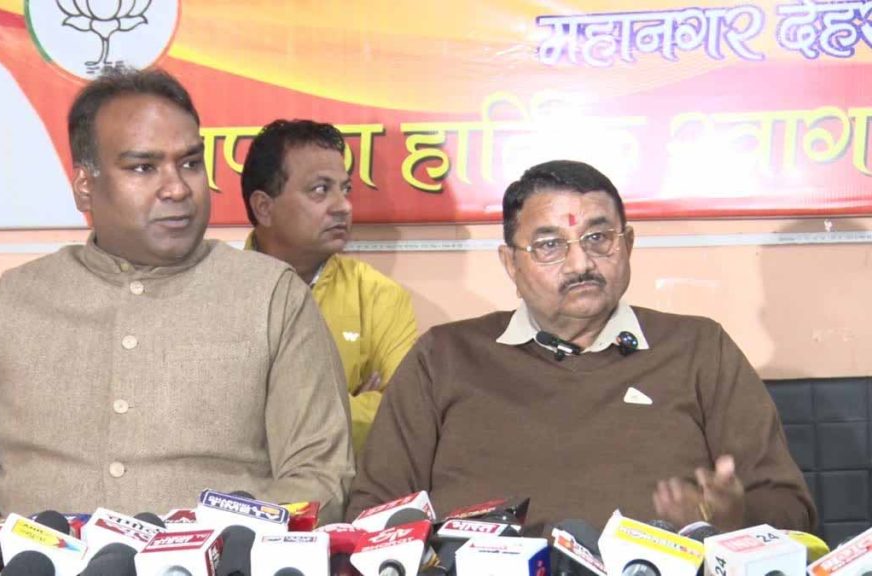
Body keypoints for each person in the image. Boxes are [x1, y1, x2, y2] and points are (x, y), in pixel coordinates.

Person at [0, 69, 354, 523]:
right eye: (143, 167)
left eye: (190, 163)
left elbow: (319, 477)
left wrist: (219, 546)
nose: (177, 188)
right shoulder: (5, 307)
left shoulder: (273, 298)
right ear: (85, 187)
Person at [347, 160, 816, 534]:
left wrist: (731, 518)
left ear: (627, 245)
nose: (580, 263)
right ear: (510, 264)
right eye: (550, 245)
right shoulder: (444, 357)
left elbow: (793, 511)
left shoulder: (699, 349)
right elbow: (374, 514)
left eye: (598, 238)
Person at [240, 119, 417, 454]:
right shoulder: (215, 292)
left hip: (339, 486)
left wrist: (268, 413)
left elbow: (407, 414)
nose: (343, 206)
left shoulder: (378, 296)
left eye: (345, 189)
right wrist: (349, 406)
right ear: (264, 207)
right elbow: (201, 415)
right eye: (320, 190)